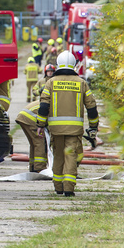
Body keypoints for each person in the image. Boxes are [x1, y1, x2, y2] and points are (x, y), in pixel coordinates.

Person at [36, 51, 99, 197]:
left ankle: (58, 187)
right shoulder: (82, 83)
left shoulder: (50, 82)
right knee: (70, 156)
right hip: (74, 129)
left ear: (58, 64)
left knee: (58, 155)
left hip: (56, 129)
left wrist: (40, 125)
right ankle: (69, 188)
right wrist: (93, 127)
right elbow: (92, 107)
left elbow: (43, 106)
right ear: (74, 65)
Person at [15, 100, 47, 172]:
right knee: (40, 143)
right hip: (31, 119)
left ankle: (33, 166)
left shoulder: (50, 100)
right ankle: (39, 168)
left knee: (34, 143)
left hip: (23, 117)